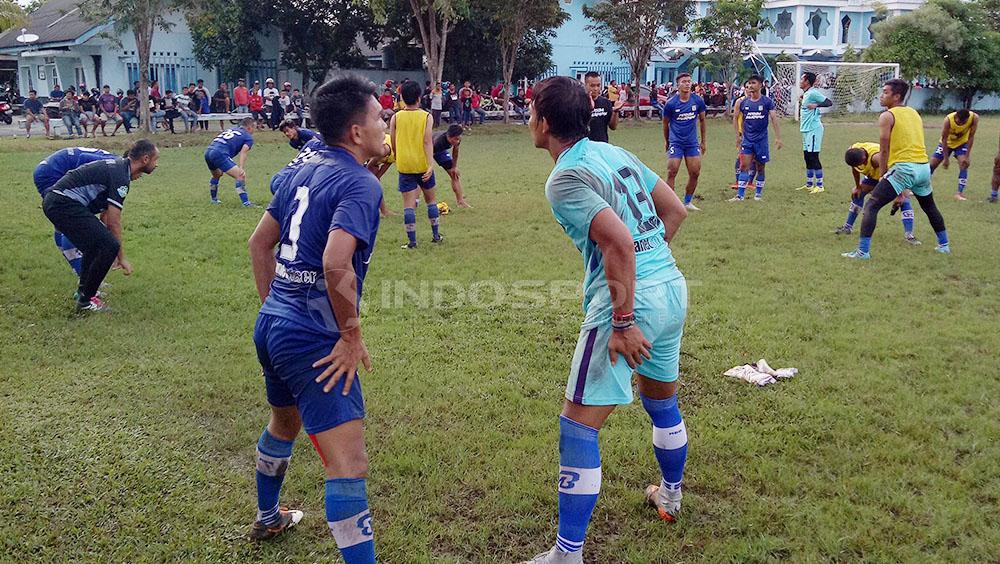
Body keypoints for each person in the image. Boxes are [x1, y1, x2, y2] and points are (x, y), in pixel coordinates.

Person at [521, 76, 690, 564]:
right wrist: (648, 271)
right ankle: (671, 496)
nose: (528, 120)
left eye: (532, 112)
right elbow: (674, 211)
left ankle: (567, 555)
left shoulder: (565, 177)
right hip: (671, 292)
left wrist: (623, 318)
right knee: (662, 401)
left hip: (628, 310)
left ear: (545, 122)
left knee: (578, 427)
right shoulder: (614, 153)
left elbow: (616, 241)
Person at [246, 75, 384, 563]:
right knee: (349, 464)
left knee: (285, 422)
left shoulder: (298, 169)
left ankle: (268, 518)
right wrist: (350, 334)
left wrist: (275, 305)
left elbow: (259, 243)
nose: (385, 123)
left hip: (273, 325)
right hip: (314, 338)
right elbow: (334, 262)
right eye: (379, 117)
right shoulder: (357, 181)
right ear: (355, 131)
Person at [40, 140, 159, 312]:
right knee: (108, 245)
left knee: (96, 247)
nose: (157, 165)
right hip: (62, 203)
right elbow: (113, 221)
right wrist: (121, 256)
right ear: (145, 159)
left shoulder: (120, 170)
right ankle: (86, 301)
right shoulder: (120, 175)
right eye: (156, 160)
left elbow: (105, 217)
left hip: (57, 202)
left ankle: (84, 297)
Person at [842, 79, 950, 260]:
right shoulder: (914, 112)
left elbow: (884, 149)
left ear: (896, 96)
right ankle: (944, 245)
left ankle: (862, 252)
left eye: (885, 92)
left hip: (903, 168)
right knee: (929, 206)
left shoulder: (887, 116)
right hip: (923, 167)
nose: (881, 95)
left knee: (871, 206)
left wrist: (884, 174)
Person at [33, 147, 120, 286]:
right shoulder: (114, 163)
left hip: (47, 169)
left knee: (67, 221)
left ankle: (82, 272)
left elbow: (107, 215)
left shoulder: (116, 169)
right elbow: (84, 158)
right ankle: (84, 279)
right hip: (52, 172)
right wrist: (75, 182)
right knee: (72, 221)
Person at [390, 80, 442, 248]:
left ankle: (412, 242)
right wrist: (430, 164)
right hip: (422, 164)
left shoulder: (396, 117)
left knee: (408, 205)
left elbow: (393, 140)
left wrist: (399, 157)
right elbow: (428, 141)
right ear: (419, 98)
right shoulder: (426, 116)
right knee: (431, 201)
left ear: (402, 98)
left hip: (405, 165)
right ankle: (436, 236)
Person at [837, 143, 920, 244]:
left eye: (861, 163)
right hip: (875, 176)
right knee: (857, 194)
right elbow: (855, 169)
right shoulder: (852, 151)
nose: (860, 166)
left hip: (894, 176)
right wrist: (858, 187)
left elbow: (896, 169)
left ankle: (909, 235)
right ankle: (847, 227)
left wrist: (900, 195)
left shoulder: (876, 158)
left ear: (864, 158)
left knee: (904, 200)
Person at [730, 75, 782, 202]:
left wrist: (778, 137)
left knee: (760, 168)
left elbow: (774, 119)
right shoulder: (743, 102)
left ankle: (758, 195)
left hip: (761, 141)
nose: (750, 86)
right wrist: (738, 136)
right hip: (747, 140)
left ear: (760, 85)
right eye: (749, 83)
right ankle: (740, 195)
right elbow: (736, 119)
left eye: (753, 83)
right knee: (744, 166)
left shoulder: (767, 102)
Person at [662, 73, 707, 211]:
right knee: (672, 171)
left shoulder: (697, 101)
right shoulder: (670, 104)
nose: (687, 84)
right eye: (684, 81)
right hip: (676, 142)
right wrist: (667, 141)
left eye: (689, 81)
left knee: (695, 172)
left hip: (692, 143)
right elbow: (665, 124)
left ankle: (687, 202)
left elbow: (703, 120)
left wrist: (703, 141)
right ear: (678, 85)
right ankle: (670, 204)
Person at [204, 117, 257, 206]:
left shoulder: (231, 129)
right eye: (254, 128)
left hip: (208, 151)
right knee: (240, 176)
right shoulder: (248, 137)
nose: (254, 131)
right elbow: (243, 152)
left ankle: (214, 200)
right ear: (249, 127)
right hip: (219, 153)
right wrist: (241, 168)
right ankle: (246, 203)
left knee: (217, 174)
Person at [929, 109, 979, 201]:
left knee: (964, 165)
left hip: (961, 144)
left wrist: (967, 156)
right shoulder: (948, 120)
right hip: (946, 143)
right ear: (956, 116)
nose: (960, 124)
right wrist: (946, 159)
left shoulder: (974, 118)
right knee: (932, 164)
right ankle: (918, 189)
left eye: (963, 122)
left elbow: (971, 136)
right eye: (958, 121)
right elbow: (944, 139)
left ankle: (959, 193)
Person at [796, 72, 833, 194]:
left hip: (814, 129)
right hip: (805, 129)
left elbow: (828, 102)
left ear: (807, 81)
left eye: (802, 79)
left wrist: (816, 105)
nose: (800, 81)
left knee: (813, 156)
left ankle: (820, 185)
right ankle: (809, 184)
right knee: (807, 156)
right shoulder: (807, 94)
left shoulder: (813, 92)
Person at [433, 124, 470, 208]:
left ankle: (460, 202)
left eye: (458, 138)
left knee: (454, 175)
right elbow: (428, 155)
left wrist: (454, 167)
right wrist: (429, 168)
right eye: (455, 139)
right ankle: (415, 200)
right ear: (449, 136)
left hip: (441, 151)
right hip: (427, 149)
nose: (457, 141)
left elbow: (455, 152)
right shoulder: (438, 142)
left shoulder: (457, 139)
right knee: (422, 176)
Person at [584, 72, 624, 144]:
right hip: (585, 147)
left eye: (598, 85)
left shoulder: (606, 103)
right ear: (585, 85)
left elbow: (613, 127)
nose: (596, 89)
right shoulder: (579, 103)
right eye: (592, 86)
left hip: (602, 146)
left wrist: (615, 111)